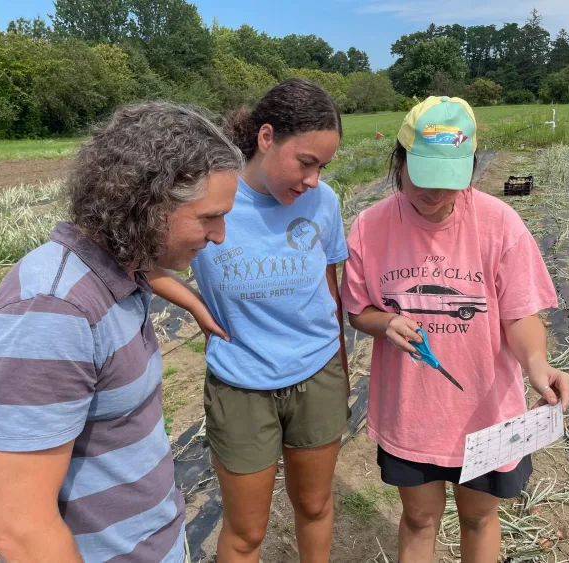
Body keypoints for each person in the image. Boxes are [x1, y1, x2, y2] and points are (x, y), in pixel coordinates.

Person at [0, 102, 244, 562]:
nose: (220, 235)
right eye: (209, 216)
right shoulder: (51, 313)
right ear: (147, 205)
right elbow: (21, 530)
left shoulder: (123, 271)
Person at [341, 95, 569, 563]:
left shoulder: (499, 224)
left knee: (478, 519)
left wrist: (537, 363)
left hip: (485, 410)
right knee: (420, 520)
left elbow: (520, 314)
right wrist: (385, 323)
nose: (435, 194)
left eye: (450, 181)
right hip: (413, 411)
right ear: (399, 161)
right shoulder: (371, 226)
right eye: (423, 179)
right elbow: (357, 310)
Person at [149, 78, 349, 563]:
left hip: (318, 374)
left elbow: (329, 289)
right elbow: (138, 261)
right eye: (305, 162)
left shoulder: (324, 204)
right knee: (245, 532)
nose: (313, 180)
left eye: (323, 167)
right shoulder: (211, 197)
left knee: (315, 505)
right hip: (241, 385)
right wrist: (195, 304)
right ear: (266, 137)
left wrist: (341, 364)